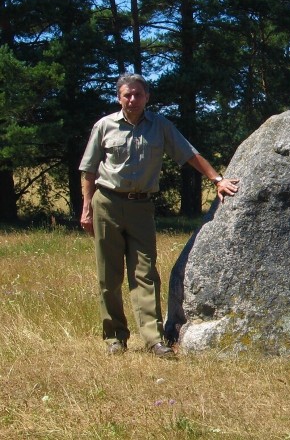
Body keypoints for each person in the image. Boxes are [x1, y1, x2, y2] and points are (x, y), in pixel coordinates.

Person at [79, 74, 239, 358]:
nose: (132, 100)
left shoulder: (160, 126)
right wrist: (87, 208)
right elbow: (89, 169)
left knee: (146, 274)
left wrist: (217, 179)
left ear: (147, 97)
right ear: (119, 97)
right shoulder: (104, 126)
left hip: (141, 207)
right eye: (127, 95)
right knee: (109, 275)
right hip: (107, 203)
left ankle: (154, 340)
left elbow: (189, 153)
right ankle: (115, 337)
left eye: (138, 95)